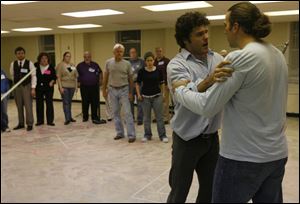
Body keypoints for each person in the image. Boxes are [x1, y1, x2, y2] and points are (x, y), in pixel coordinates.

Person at [172, 2, 288, 203]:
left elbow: (207, 106)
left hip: (244, 157)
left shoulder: (239, 58)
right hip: (275, 155)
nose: (223, 31)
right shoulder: (276, 54)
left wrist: (180, 90)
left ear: (236, 27)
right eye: (200, 33)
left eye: (226, 25)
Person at [166, 12, 233, 203]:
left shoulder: (217, 60)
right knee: (179, 191)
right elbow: (185, 95)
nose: (206, 37)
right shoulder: (176, 65)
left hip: (212, 138)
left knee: (210, 190)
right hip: (186, 139)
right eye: (199, 34)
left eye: (206, 32)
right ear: (186, 40)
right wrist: (211, 79)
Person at [102, 44, 136, 143]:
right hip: (112, 90)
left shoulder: (127, 64)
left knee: (127, 112)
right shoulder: (108, 62)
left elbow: (131, 79)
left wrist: (130, 92)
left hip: (124, 89)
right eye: (117, 51)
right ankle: (120, 133)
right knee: (115, 112)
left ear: (123, 52)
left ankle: (131, 135)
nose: (119, 53)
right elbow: (105, 77)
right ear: (114, 52)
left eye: (121, 51)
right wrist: (104, 90)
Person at [136, 51, 168, 143]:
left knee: (159, 117)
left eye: (151, 60)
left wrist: (163, 94)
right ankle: (147, 135)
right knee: (146, 118)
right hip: (145, 98)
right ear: (145, 61)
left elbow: (162, 83)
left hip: (157, 97)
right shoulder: (142, 71)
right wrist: (138, 94)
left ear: (154, 61)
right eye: (148, 60)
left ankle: (162, 135)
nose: (150, 62)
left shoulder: (159, 71)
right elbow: (137, 84)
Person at [10, 47, 36, 131]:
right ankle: (21, 123)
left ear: (24, 54)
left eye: (21, 53)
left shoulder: (29, 63)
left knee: (28, 106)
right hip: (17, 88)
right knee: (19, 106)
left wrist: (33, 88)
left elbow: (33, 76)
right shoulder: (13, 64)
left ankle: (30, 123)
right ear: (16, 55)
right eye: (18, 53)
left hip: (27, 86)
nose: (20, 55)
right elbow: (12, 75)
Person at [77, 51, 106, 124]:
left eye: (88, 56)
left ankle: (94, 117)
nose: (87, 58)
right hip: (84, 87)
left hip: (94, 87)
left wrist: (100, 80)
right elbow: (76, 75)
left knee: (94, 102)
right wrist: (77, 82)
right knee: (85, 102)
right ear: (84, 57)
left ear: (90, 57)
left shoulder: (95, 64)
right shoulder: (80, 65)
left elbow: (100, 72)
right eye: (86, 56)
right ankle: (85, 117)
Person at [34, 52, 56, 126]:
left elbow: (54, 77)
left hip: (48, 88)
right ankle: (40, 121)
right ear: (39, 59)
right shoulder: (36, 66)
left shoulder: (51, 67)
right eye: (42, 58)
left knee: (49, 103)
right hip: (38, 88)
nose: (44, 60)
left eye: (45, 58)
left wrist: (52, 81)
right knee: (39, 104)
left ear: (48, 59)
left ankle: (50, 121)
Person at [56, 52, 78, 125]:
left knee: (70, 102)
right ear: (64, 57)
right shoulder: (60, 65)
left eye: (69, 56)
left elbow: (75, 76)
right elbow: (58, 77)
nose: (68, 58)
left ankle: (70, 117)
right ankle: (67, 118)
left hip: (72, 86)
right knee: (66, 102)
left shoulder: (72, 65)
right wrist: (60, 87)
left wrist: (76, 86)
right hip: (64, 86)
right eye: (67, 56)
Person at [154, 47, 170, 124]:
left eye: (160, 51)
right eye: (157, 51)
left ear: (162, 52)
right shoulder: (153, 61)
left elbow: (169, 73)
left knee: (164, 101)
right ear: (155, 52)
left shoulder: (166, 61)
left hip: (164, 84)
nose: (159, 53)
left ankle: (165, 118)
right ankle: (157, 117)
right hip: (155, 84)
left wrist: (167, 84)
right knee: (156, 101)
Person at [128, 48, 144, 125]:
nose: (133, 54)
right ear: (129, 54)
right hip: (130, 85)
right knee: (130, 101)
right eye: (131, 53)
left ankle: (140, 119)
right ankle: (131, 118)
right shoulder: (127, 63)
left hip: (139, 84)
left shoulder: (141, 61)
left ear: (137, 53)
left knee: (140, 101)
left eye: (134, 52)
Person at [1, 68, 10, 132]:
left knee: (4, 111)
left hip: (3, 94)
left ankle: (5, 126)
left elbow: (5, 82)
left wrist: (4, 92)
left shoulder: (2, 71)